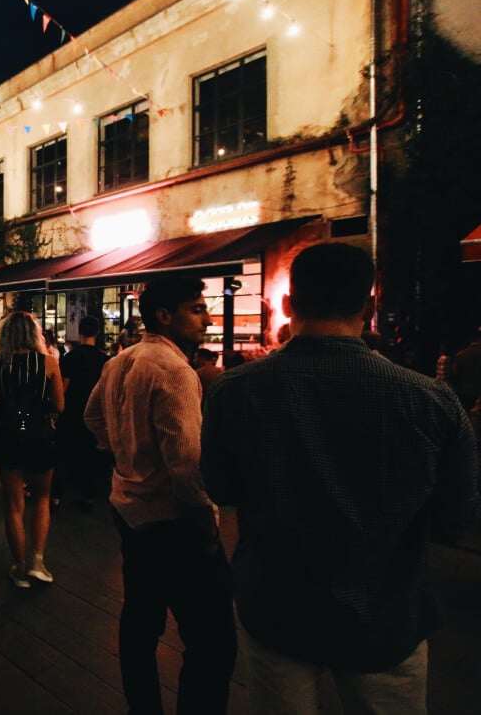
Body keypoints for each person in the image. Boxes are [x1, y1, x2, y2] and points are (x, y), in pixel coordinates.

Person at [201, 243, 479, 714]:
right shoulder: (432, 401)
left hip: (277, 605)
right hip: (387, 611)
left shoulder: (236, 391)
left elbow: (220, 488)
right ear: (369, 307)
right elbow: (454, 520)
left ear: (289, 305)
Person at [84, 275, 236, 715]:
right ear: (165, 316)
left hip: (130, 510)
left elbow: (92, 417)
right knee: (213, 642)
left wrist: (127, 455)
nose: (206, 316)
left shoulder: (122, 360)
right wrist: (208, 526)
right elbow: (188, 465)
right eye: (196, 308)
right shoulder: (174, 370)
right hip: (174, 520)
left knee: (140, 621)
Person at [0, 311, 64, 588]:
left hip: (8, 437)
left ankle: (19, 568)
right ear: (34, 334)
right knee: (41, 498)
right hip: (40, 436)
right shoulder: (49, 363)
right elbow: (60, 406)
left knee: (13, 504)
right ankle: (37, 562)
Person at [54, 316, 108, 508]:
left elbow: (63, 387)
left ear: (80, 333)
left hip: (72, 411)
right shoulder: (105, 360)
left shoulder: (71, 357)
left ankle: (56, 495)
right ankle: (88, 495)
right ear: (97, 333)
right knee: (89, 453)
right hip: (95, 413)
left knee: (62, 451)